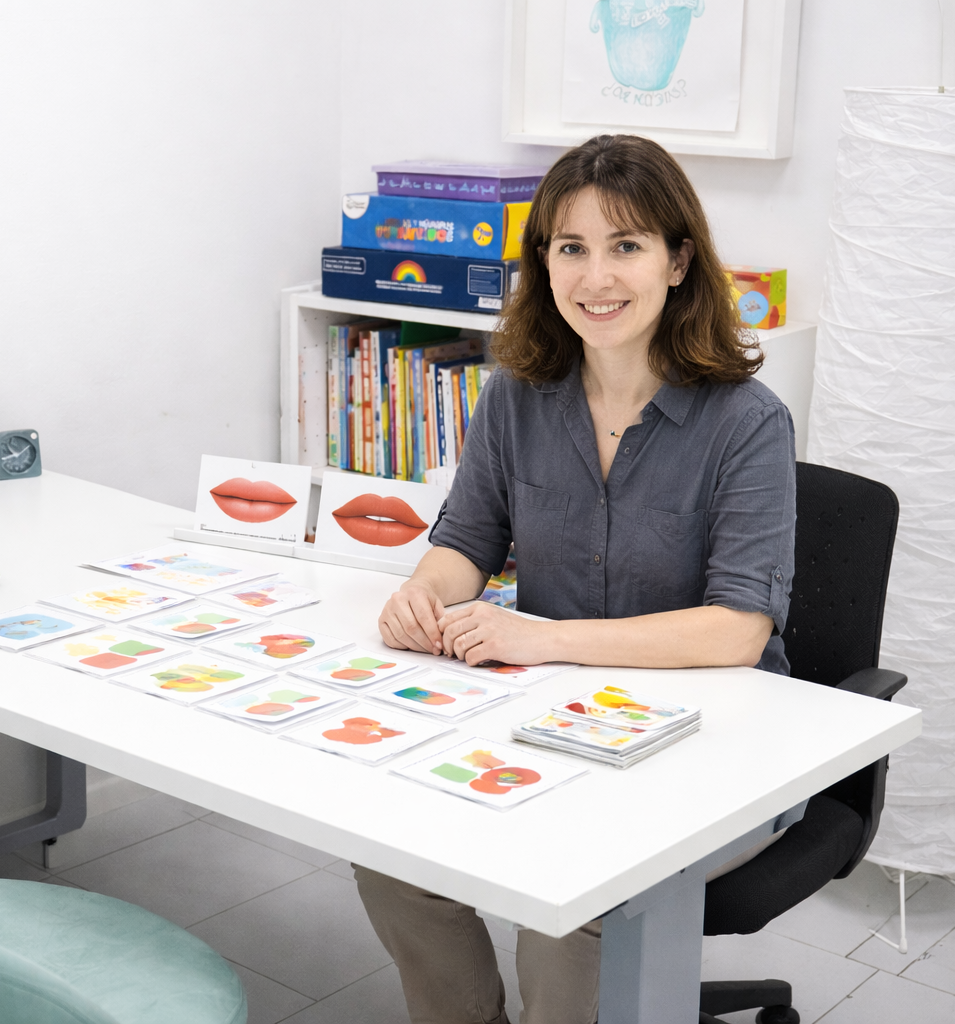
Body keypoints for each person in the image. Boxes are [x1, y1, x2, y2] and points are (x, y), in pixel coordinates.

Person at [356, 134, 797, 1024]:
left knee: (573, 909)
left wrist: (542, 639)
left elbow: (738, 630)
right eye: (571, 248)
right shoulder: (515, 395)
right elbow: (466, 541)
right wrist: (424, 593)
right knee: (391, 855)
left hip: (713, 743)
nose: (597, 277)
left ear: (678, 262)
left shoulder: (748, 423)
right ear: (544, 264)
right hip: (545, 719)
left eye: (625, 245)